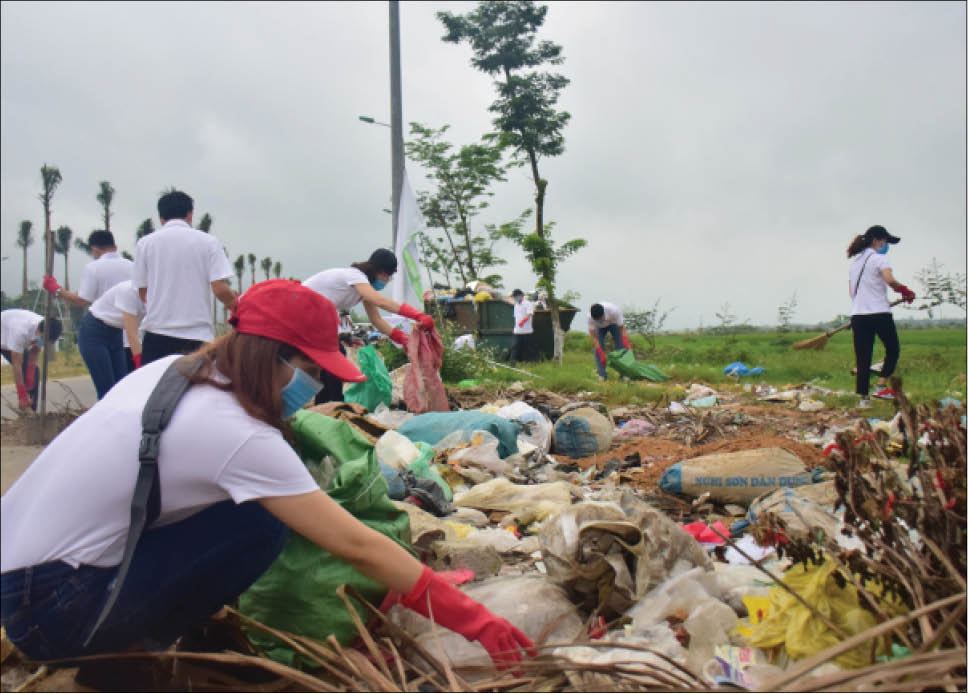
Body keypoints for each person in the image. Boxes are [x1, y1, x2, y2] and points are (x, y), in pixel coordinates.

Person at [0, 280, 533, 667]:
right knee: (262, 524)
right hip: (55, 614)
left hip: (20, 583)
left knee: (236, 509)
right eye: (309, 370)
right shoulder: (235, 434)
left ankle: (150, 635)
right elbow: (359, 546)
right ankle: (121, 657)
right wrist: (476, 621)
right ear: (272, 356)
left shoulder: (170, 373)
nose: (315, 384)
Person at [302, 249, 435, 403]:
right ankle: (333, 403)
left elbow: (376, 319)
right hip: (301, 312)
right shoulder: (355, 276)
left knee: (333, 358)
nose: (387, 280)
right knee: (335, 356)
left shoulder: (363, 286)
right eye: (387, 276)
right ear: (380, 272)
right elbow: (380, 301)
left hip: (314, 319)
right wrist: (417, 315)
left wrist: (402, 338)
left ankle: (326, 403)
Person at [132, 189, 236, 364]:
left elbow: (143, 292)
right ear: (190, 214)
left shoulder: (145, 244)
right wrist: (238, 308)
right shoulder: (208, 242)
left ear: (161, 217)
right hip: (197, 336)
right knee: (198, 391)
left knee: (158, 390)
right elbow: (219, 289)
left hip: (156, 335)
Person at [847, 225, 916, 408]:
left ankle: (864, 399)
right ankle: (881, 386)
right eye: (885, 241)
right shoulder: (879, 259)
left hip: (859, 316)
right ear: (877, 240)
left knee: (863, 358)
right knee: (893, 349)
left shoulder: (855, 264)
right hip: (879, 313)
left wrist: (861, 307)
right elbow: (890, 280)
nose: (886, 245)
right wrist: (905, 291)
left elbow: (851, 292)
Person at [75, 280, 144, 399]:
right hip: (95, 331)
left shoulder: (157, 295)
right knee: (107, 390)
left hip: (116, 333)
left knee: (121, 387)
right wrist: (141, 364)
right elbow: (132, 335)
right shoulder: (129, 291)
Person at [43, 231, 133, 309]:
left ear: (94, 249)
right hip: (132, 321)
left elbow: (82, 300)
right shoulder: (132, 266)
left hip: (104, 323)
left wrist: (57, 289)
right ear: (115, 247)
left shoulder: (93, 267)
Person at [0, 310, 62, 411]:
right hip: (4, 335)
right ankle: (24, 399)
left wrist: (30, 375)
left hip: (9, 341)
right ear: (38, 331)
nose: (43, 342)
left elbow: (34, 352)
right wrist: (21, 394)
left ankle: (30, 412)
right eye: (43, 339)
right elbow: (17, 364)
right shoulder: (20, 332)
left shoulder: (46, 328)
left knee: (34, 373)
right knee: (21, 368)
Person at [587, 301, 632, 380]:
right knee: (598, 350)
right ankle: (602, 375)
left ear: (604, 314)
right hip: (600, 329)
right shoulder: (590, 317)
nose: (600, 321)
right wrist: (600, 352)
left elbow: (622, 328)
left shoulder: (613, 311)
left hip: (613, 324)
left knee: (621, 347)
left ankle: (624, 374)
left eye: (600, 319)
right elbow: (593, 336)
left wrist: (626, 342)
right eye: (596, 320)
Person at [508, 289, 534, 363]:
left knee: (527, 348)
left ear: (520, 296)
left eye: (515, 296)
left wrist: (523, 321)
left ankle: (528, 362)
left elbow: (529, 314)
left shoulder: (527, 303)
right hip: (517, 331)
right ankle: (512, 362)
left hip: (527, 331)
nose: (514, 298)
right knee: (514, 346)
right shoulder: (516, 305)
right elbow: (516, 317)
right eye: (514, 297)